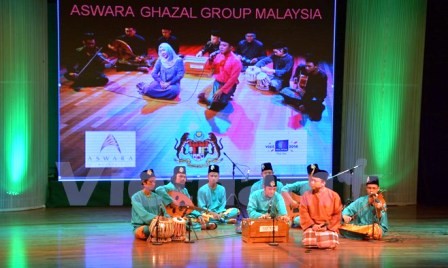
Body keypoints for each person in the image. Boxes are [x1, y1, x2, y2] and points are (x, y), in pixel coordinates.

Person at [155, 166, 213, 230]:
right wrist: (171, 201)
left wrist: (198, 215)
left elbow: (189, 206)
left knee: (198, 217)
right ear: (174, 177)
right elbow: (158, 189)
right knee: (178, 223)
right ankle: (199, 227)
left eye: (184, 177)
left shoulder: (184, 190)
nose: (183, 179)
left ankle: (199, 224)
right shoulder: (169, 187)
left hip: (182, 214)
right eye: (180, 176)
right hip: (170, 215)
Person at [299, 170, 343, 249]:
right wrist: (313, 225)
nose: (311, 183)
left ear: (323, 183)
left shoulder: (334, 195)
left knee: (332, 242)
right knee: (308, 241)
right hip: (312, 227)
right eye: (311, 180)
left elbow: (337, 214)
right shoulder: (306, 195)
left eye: (315, 181)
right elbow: (303, 212)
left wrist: (327, 227)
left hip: (328, 227)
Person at [197, 37, 242, 111]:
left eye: (224, 45)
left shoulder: (236, 61)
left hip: (228, 85)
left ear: (231, 48)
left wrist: (221, 90)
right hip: (217, 82)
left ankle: (226, 96)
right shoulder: (218, 56)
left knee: (217, 105)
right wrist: (210, 60)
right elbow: (211, 69)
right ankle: (213, 98)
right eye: (220, 45)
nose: (221, 47)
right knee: (212, 102)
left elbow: (233, 80)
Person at [279, 53, 328, 121]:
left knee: (316, 106)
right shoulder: (303, 68)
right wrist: (295, 77)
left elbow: (320, 94)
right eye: (306, 66)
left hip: (314, 96)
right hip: (302, 92)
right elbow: (299, 67)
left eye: (309, 66)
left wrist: (305, 103)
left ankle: (304, 105)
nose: (306, 68)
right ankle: (302, 104)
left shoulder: (322, 76)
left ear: (316, 66)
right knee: (283, 90)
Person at [340, 176, 389, 240]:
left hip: (375, 228)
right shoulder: (361, 200)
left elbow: (381, 222)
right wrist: (344, 216)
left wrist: (379, 210)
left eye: (374, 188)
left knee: (375, 231)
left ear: (378, 189)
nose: (371, 190)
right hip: (361, 228)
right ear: (366, 188)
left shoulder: (381, 202)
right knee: (342, 227)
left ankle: (363, 235)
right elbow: (348, 209)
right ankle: (364, 235)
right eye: (369, 188)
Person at [131, 169, 170, 240]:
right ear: (144, 182)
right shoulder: (136, 197)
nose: (153, 184)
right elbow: (143, 214)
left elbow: (164, 212)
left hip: (158, 224)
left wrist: (168, 218)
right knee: (147, 230)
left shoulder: (157, 197)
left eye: (154, 181)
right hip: (142, 226)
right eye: (151, 182)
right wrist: (157, 218)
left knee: (173, 225)